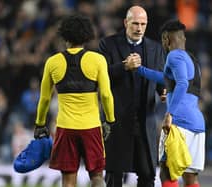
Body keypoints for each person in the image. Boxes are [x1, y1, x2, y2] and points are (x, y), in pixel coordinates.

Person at [33, 14, 115, 187]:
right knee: (97, 176)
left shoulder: (52, 62)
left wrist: (40, 123)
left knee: (68, 180)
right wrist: (109, 120)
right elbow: (106, 95)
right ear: (87, 35)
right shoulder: (97, 60)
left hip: (65, 128)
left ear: (64, 36)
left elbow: (45, 98)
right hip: (91, 127)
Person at [98, 5, 165, 187]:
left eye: (143, 24)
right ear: (125, 22)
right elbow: (99, 76)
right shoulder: (108, 44)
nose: (139, 28)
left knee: (147, 174)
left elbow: (160, 79)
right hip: (116, 120)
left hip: (144, 121)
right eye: (135, 23)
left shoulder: (156, 48)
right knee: (114, 175)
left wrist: (163, 92)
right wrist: (123, 67)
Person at [136, 20, 205, 187]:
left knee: (167, 173)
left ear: (166, 39)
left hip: (179, 123)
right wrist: (140, 70)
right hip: (197, 124)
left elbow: (182, 83)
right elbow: (167, 80)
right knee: (191, 177)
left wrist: (169, 114)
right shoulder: (192, 60)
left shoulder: (174, 56)